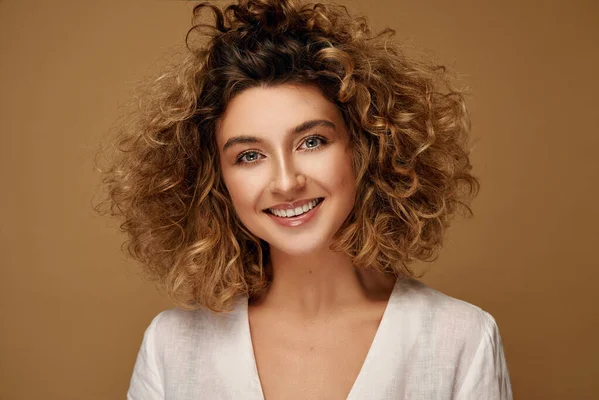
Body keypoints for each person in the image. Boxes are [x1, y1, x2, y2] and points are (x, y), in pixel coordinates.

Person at [97, 0, 513, 398]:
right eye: (249, 155)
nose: (285, 181)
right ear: (212, 179)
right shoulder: (171, 347)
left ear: (366, 147)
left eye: (311, 141)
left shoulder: (459, 339)